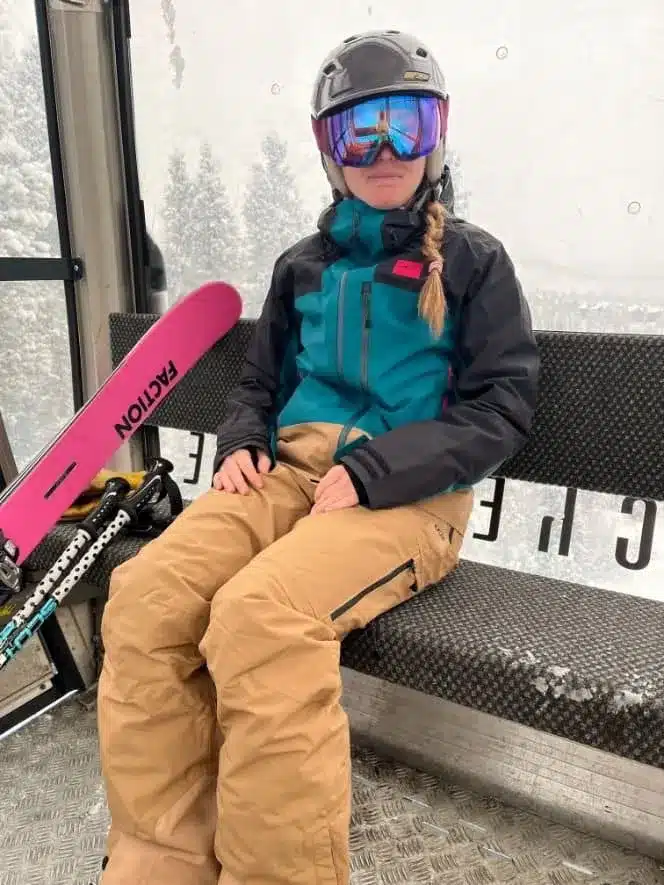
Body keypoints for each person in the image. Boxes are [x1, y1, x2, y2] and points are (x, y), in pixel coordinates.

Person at [96, 29, 539, 885]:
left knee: (260, 618)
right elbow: (260, 383)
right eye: (357, 132)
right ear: (327, 150)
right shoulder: (301, 267)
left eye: (404, 125)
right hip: (291, 476)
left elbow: (501, 408)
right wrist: (242, 443)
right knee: (146, 596)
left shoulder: (474, 263)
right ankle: (162, 861)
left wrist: (376, 471)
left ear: (436, 136)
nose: (383, 152)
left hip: (410, 495)